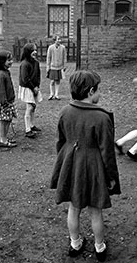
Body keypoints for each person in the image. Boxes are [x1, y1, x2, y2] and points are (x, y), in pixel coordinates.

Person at [50, 70, 120, 262]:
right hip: (94, 167)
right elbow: (107, 152)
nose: (100, 93)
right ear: (91, 91)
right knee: (95, 209)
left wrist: (64, 163)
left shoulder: (65, 111)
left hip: (71, 164)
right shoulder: (102, 117)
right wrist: (111, 176)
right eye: (98, 90)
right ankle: (99, 246)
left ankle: (75, 243)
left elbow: (60, 142)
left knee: (74, 207)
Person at [0, 50, 18, 148]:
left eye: (11, 59)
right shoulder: (1, 75)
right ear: (2, 62)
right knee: (2, 121)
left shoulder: (6, 72)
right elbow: (0, 91)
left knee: (8, 120)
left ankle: (5, 137)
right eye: (8, 60)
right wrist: (5, 102)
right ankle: (3, 140)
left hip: (9, 102)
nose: (11, 62)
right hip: (3, 103)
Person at [18, 42, 42, 138]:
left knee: (34, 106)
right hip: (27, 88)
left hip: (34, 87)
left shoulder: (36, 62)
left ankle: (32, 125)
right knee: (30, 107)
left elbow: (38, 75)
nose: (35, 52)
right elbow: (25, 78)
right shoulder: (24, 64)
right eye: (33, 50)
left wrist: (37, 86)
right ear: (28, 52)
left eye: (36, 50)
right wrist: (33, 87)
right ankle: (28, 129)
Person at [46, 35, 67, 100]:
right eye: (58, 39)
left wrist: (64, 66)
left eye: (60, 39)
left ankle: (56, 94)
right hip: (53, 67)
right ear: (54, 40)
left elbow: (64, 57)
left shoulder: (63, 47)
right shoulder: (50, 47)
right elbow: (48, 57)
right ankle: (51, 94)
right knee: (52, 81)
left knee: (58, 80)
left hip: (60, 67)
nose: (59, 41)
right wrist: (48, 66)